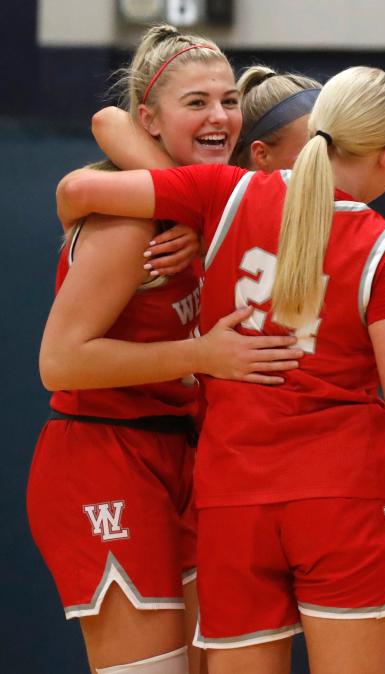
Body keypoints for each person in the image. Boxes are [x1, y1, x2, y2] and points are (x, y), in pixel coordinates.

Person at [56, 65, 385, 674]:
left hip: (233, 500)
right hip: (341, 498)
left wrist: (189, 210)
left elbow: (78, 192)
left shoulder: (225, 194)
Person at [29, 25, 301, 674]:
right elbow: (59, 363)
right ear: (147, 120)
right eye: (198, 102)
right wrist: (201, 355)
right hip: (105, 452)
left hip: (190, 459)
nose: (220, 116)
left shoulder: (221, 204)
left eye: (229, 100)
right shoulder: (132, 222)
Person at [90, 65, 322, 277]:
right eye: (313, 152)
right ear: (260, 154)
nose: (327, 165)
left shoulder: (331, 208)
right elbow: (104, 126)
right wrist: (197, 211)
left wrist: (199, 217)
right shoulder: (223, 191)